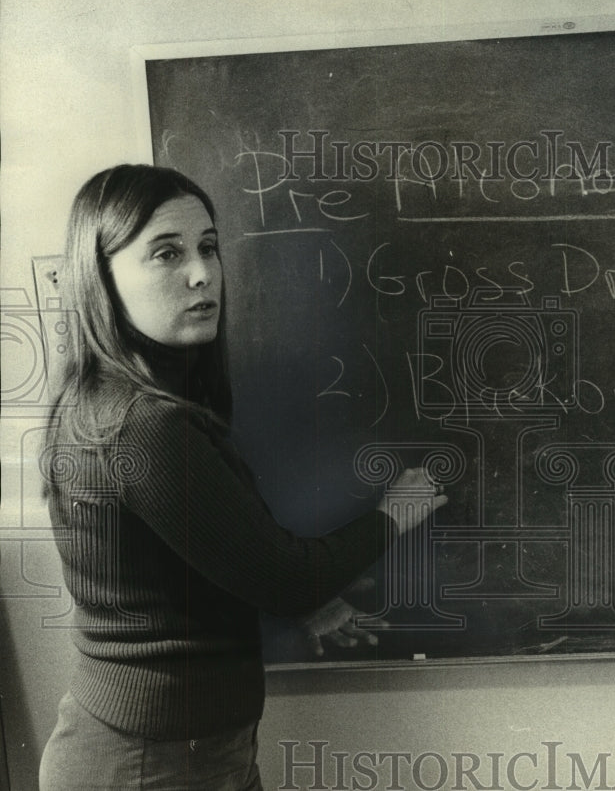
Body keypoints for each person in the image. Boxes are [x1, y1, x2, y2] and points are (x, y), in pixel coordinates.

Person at [37, 164, 446, 790]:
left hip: (161, 746)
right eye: (166, 253)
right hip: (154, 765)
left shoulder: (106, 398)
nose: (202, 273)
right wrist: (397, 511)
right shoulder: (145, 426)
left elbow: (187, 560)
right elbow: (286, 578)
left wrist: (307, 601)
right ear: (103, 277)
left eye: (208, 246)